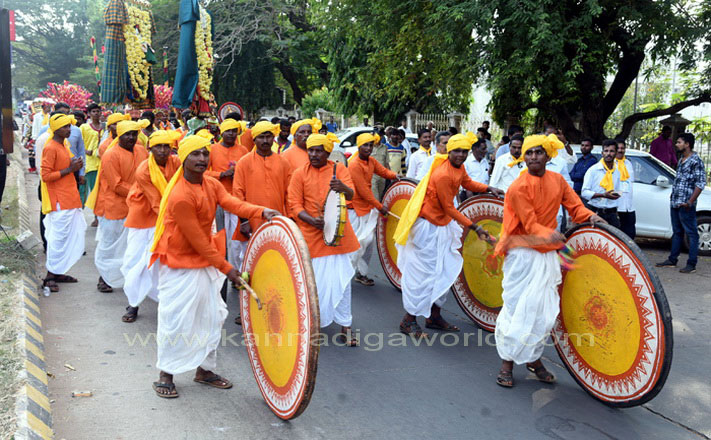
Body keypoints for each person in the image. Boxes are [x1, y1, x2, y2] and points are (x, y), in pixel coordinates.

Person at [150, 135, 280, 398]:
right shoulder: (180, 196)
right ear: (183, 159)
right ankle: (166, 373)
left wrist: (260, 211)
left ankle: (205, 370)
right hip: (180, 263)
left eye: (204, 153)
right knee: (177, 320)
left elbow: (232, 203)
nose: (201, 158)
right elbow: (198, 242)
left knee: (212, 316)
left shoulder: (211, 183)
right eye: (195, 154)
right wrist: (228, 269)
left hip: (206, 260)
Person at [493, 134, 604, 388]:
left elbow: (575, 206)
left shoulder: (558, 180)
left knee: (543, 313)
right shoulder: (518, 187)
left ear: (548, 155)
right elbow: (530, 224)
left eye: (539, 152)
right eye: (529, 153)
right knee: (517, 310)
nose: (533, 157)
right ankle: (507, 363)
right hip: (522, 253)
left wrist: (591, 217)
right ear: (524, 157)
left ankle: (533, 359)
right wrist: (551, 235)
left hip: (547, 253)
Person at [394, 132, 504, 338]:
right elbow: (449, 207)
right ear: (449, 152)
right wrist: (475, 227)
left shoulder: (459, 168)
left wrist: (488, 188)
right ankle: (408, 320)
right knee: (424, 276)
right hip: (428, 229)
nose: (461, 155)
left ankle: (434, 316)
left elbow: (467, 183)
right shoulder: (443, 174)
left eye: (464, 151)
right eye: (457, 151)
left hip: (443, 226)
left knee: (445, 270)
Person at [287, 133, 361, 346]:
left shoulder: (339, 169)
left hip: (338, 235)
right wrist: (311, 220)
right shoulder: (299, 174)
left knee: (342, 282)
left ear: (327, 152)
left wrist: (342, 188)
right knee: (314, 284)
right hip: (311, 235)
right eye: (310, 150)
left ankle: (345, 325)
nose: (313, 154)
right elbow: (294, 204)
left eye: (318, 151)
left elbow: (351, 195)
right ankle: (311, 324)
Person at [120, 130, 181, 323]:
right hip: (143, 217)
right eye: (158, 147)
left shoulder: (176, 163)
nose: (162, 151)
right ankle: (133, 303)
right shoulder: (143, 170)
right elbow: (156, 201)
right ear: (150, 148)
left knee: (161, 262)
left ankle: (165, 301)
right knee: (135, 261)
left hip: (166, 216)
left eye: (166, 147)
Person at [87, 119, 150, 292]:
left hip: (136, 206)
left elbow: (148, 173)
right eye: (127, 134)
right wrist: (140, 193)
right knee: (110, 245)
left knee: (131, 246)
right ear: (119, 136)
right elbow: (116, 184)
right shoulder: (110, 154)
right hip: (114, 207)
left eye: (134, 134)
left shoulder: (141, 151)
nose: (131, 138)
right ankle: (104, 278)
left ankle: (128, 279)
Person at [39, 114, 87, 293]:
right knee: (57, 239)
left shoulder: (63, 145)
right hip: (59, 201)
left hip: (69, 198)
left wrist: (75, 166)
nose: (69, 129)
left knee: (66, 238)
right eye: (65, 127)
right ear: (56, 129)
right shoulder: (50, 147)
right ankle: (50, 276)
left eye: (69, 126)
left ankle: (58, 272)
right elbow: (46, 176)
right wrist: (70, 169)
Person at [347, 133, 398, 286]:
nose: (368, 148)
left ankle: (361, 274)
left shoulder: (371, 161)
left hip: (367, 208)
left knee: (368, 243)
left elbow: (383, 171)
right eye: (365, 145)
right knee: (356, 243)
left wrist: (395, 176)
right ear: (359, 146)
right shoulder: (354, 164)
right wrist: (380, 206)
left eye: (370, 145)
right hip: (354, 209)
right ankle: (345, 274)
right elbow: (363, 191)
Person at [205, 119, 249, 281]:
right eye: (228, 131)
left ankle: (238, 273)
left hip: (238, 200)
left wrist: (238, 174)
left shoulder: (243, 150)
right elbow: (203, 172)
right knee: (220, 238)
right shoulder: (212, 149)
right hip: (217, 201)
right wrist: (221, 175)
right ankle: (221, 274)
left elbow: (248, 172)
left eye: (234, 131)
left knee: (237, 240)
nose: (231, 134)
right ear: (221, 132)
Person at [656, 133, 706, 274]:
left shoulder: (696, 161)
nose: (676, 144)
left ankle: (691, 264)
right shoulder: (681, 160)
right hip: (675, 202)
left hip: (686, 204)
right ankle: (672, 259)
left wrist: (690, 202)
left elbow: (700, 183)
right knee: (677, 232)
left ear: (687, 144)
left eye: (679, 142)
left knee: (691, 233)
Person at [581, 139, 624, 228]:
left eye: (611, 151)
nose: (608, 154)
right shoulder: (593, 170)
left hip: (612, 213)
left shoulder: (617, 171)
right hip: (595, 212)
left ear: (616, 153)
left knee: (614, 236)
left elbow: (619, 190)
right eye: (606, 151)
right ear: (602, 153)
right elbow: (584, 193)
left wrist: (616, 194)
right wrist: (603, 195)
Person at [80, 104, 104, 199]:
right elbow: (79, 143)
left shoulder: (105, 127)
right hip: (91, 163)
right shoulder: (84, 127)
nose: (96, 113)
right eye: (93, 111)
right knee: (93, 189)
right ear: (89, 114)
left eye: (98, 111)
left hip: (103, 162)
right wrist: (86, 151)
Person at [615, 139, 636, 239]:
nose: (620, 150)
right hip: (617, 206)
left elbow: (630, 182)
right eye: (618, 148)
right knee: (617, 237)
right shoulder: (610, 164)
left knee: (630, 235)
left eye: (622, 148)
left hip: (629, 206)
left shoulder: (628, 163)